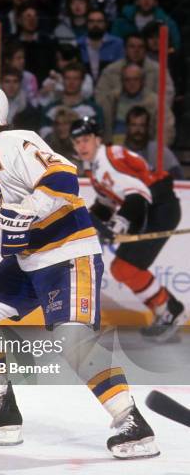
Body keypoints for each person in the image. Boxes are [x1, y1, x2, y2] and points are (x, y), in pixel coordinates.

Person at [0, 83, 159, 459]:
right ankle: (1, 410)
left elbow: (64, 178)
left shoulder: (15, 143)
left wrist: (27, 210)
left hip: (69, 253)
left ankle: (130, 420)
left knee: (72, 339)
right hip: (26, 263)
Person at [71, 116, 185, 341]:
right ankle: (168, 309)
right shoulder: (95, 167)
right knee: (123, 268)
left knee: (125, 268)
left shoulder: (106, 162)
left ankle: (170, 310)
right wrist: (92, 226)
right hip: (152, 206)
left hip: (159, 207)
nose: (81, 146)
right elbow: (107, 203)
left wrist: (119, 223)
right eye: (77, 142)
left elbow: (138, 195)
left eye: (85, 139)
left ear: (97, 139)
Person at [97, 63, 175, 145]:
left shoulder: (155, 102)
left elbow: (167, 130)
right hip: (113, 148)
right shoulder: (110, 100)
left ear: (143, 81)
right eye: (127, 80)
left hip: (144, 149)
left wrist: (155, 151)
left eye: (136, 79)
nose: (131, 83)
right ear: (122, 81)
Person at [95, 32, 175, 107]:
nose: (136, 51)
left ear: (145, 50)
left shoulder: (158, 70)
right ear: (125, 49)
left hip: (150, 116)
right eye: (132, 46)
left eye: (140, 47)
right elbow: (100, 97)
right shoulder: (110, 71)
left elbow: (167, 96)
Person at [112, 0, 180, 51]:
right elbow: (114, 46)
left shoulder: (167, 22)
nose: (146, 0)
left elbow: (175, 46)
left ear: (156, 3)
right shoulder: (122, 21)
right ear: (137, 1)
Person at [124, 106, 183, 179]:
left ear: (148, 127)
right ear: (127, 127)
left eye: (142, 125)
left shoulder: (159, 150)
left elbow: (178, 177)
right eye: (134, 125)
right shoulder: (118, 152)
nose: (138, 130)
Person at [77, 8, 124, 82]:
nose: (95, 24)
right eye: (91, 21)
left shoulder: (117, 43)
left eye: (99, 21)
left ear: (105, 23)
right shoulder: (78, 44)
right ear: (86, 24)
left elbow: (121, 70)